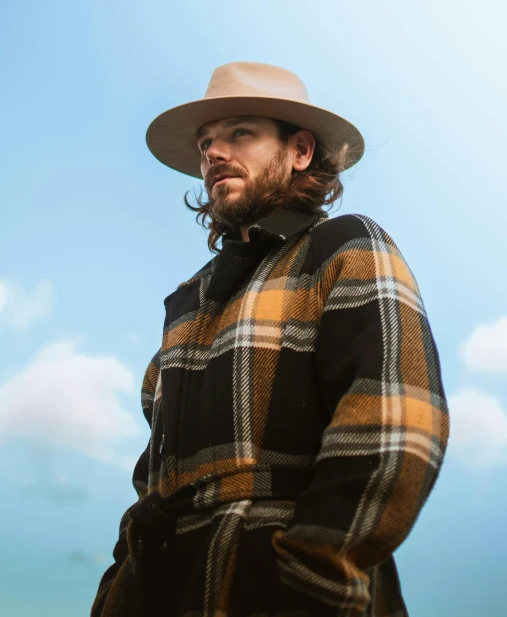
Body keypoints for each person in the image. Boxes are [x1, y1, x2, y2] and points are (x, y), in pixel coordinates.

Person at [91, 62, 449, 617]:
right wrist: (118, 591)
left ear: (301, 150)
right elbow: (151, 484)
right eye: (206, 142)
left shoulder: (346, 246)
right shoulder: (187, 301)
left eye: (239, 132)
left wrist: (313, 577)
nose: (212, 152)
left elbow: (395, 430)